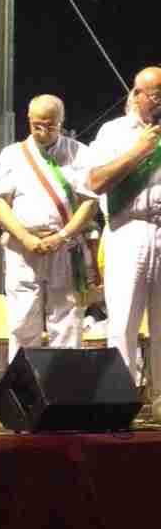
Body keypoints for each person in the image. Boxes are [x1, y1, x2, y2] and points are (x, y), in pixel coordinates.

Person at [0, 94, 98, 362]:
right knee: (22, 321)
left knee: (67, 322)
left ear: (61, 122)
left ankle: (63, 384)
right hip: (22, 248)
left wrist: (62, 236)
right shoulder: (12, 154)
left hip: (65, 246)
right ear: (28, 119)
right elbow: (0, 205)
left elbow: (90, 203)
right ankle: (23, 384)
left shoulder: (80, 152)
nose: (42, 132)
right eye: (36, 125)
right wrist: (25, 237)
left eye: (50, 126)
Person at [87, 66, 161, 420]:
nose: (160, 102)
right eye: (156, 95)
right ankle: (121, 402)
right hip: (127, 229)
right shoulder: (113, 132)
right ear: (136, 95)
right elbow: (95, 181)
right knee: (123, 321)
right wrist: (138, 151)